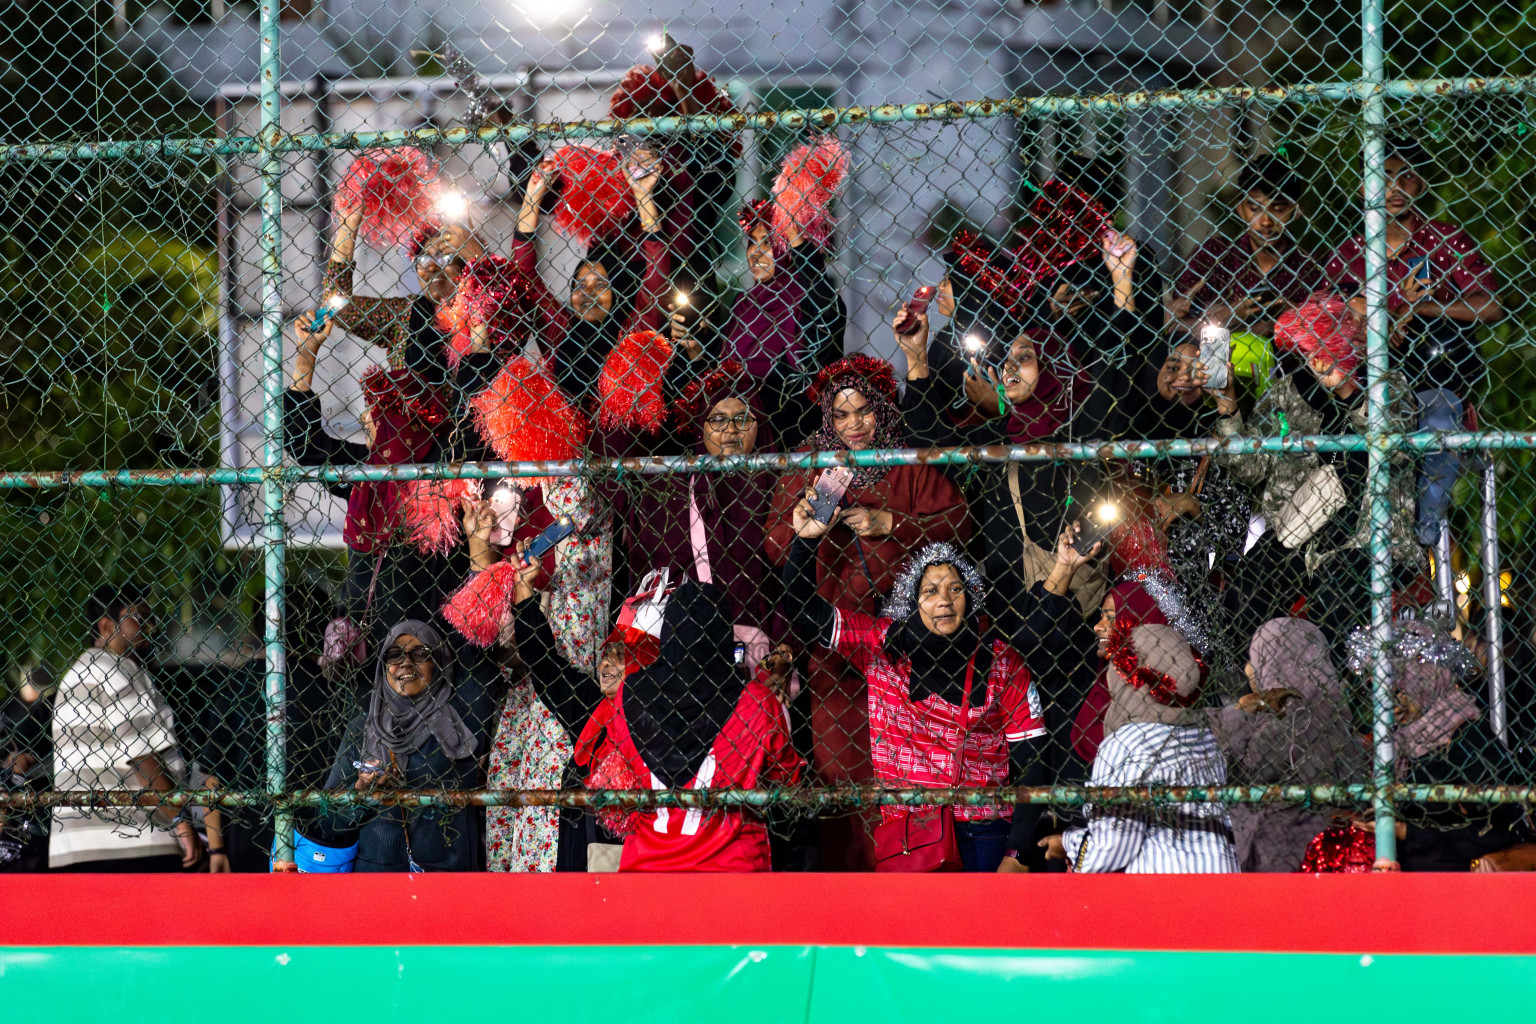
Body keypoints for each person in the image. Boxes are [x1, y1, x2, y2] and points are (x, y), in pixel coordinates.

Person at [765, 354, 970, 870]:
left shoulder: (909, 462)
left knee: (912, 764)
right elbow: (773, 543)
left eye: (864, 411)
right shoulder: (811, 464)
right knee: (842, 769)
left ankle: (915, 872)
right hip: (835, 646)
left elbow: (962, 527)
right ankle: (850, 886)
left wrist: (893, 524)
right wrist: (801, 528)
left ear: (882, 408)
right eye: (841, 415)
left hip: (907, 642)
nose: (853, 424)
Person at [782, 519, 1050, 872]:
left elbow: (1033, 760)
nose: (944, 601)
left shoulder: (1003, 662)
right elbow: (802, 608)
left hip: (982, 833)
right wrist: (806, 540)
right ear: (912, 601)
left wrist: (1016, 854)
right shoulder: (881, 646)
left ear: (970, 596)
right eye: (930, 592)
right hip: (909, 837)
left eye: (955, 589)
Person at [1324, 136, 1503, 546]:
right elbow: (1334, 315)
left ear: (1421, 184)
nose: (1394, 189)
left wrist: (1421, 309)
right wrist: (1395, 305)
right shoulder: (1348, 252)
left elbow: (1490, 305)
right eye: (1382, 177)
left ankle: (1419, 533)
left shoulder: (1444, 239)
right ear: (1362, 185)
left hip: (1434, 379)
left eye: (1406, 177)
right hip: (1368, 385)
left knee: (1439, 423)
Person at [1208, 296, 1417, 643]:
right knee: (1243, 597)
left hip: (1363, 538)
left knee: (1336, 601)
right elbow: (1250, 468)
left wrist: (1347, 388)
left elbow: (1396, 449)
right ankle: (1251, 688)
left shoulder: (1389, 384)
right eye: (1350, 318)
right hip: (1295, 533)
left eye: (1368, 321)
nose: (1357, 327)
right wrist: (1227, 405)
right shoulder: (1287, 392)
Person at [588, 579, 804, 871]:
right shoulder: (756, 702)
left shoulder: (629, 695)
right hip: (730, 869)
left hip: (648, 868)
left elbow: (610, 772)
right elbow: (788, 780)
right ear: (723, 637)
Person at [283, 314, 460, 650]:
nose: (366, 421)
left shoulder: (441, 474)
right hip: (369, 650)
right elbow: (303, 444)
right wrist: (306, 354)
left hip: (434, 644)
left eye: (377, 416)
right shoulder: (367, 475)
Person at [607, 360, 781, 649]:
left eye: (743, 419)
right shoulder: (668, 490)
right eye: (718, 420)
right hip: (685, 644)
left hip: (764, 646)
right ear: (701, 427)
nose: (731, 431)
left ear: (759, 424)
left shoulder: (779, 485)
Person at [1043, 623, 1239, 873]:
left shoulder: (1127, 743)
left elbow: (1114, 843)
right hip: (1221, 877)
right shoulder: (1206, 735)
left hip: (1167, 888)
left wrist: (1068, 845)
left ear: (1126, 672)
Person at [49, 584, 208, 871]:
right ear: (107, 626)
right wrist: (178, 819)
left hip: (76, 843)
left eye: (151, 618)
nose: (151, 627)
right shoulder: (119, 669)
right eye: (139, 618)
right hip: (133, 840)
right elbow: (142, 754)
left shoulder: (78, 671)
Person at [314, 620, 494, 871]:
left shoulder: (460, 722)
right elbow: (327, 819)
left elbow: (483, 660)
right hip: (375, 880)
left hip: (446, 878)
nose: (406, 663)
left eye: (421, 654)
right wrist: (361, 793)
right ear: (383, 666)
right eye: (395, 654)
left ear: (440, 663)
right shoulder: (362, 727)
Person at [516, 145, 674, 400]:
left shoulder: (635, 330)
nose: (587, 293)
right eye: (580, 285)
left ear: (617, 292)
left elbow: (657, 263)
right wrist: (531, 199)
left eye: (600, 285)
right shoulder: (559, 332)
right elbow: (524, 277)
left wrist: (642, 196)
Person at [1207, 618, 1364, 872]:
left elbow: (1248, 772)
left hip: (1281, 853)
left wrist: (1240, 713)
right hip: (1329, 850)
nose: (1250, 668)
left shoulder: (1285, 715)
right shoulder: (1334, 707)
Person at [1170, 155, 1325, 395]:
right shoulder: (1213, 256)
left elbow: (1326, 335)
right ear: (1241, 208)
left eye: (1278, 209)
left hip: (1292, 389)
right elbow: (1171, 325)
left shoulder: (1309, 268)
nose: (1265, 221)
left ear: (1295, 211)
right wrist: (1230, 315)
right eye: (1255, 208)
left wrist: (1287, 317)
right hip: (1209, 382)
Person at [722, 196, 847, 442]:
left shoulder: (807, 300)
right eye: (751, 242)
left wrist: (796, 237)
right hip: (737, 431)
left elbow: (829, 314)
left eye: (767, 242)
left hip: (793, 432)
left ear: (785, 247)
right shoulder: (742, 304)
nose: (755, 253)